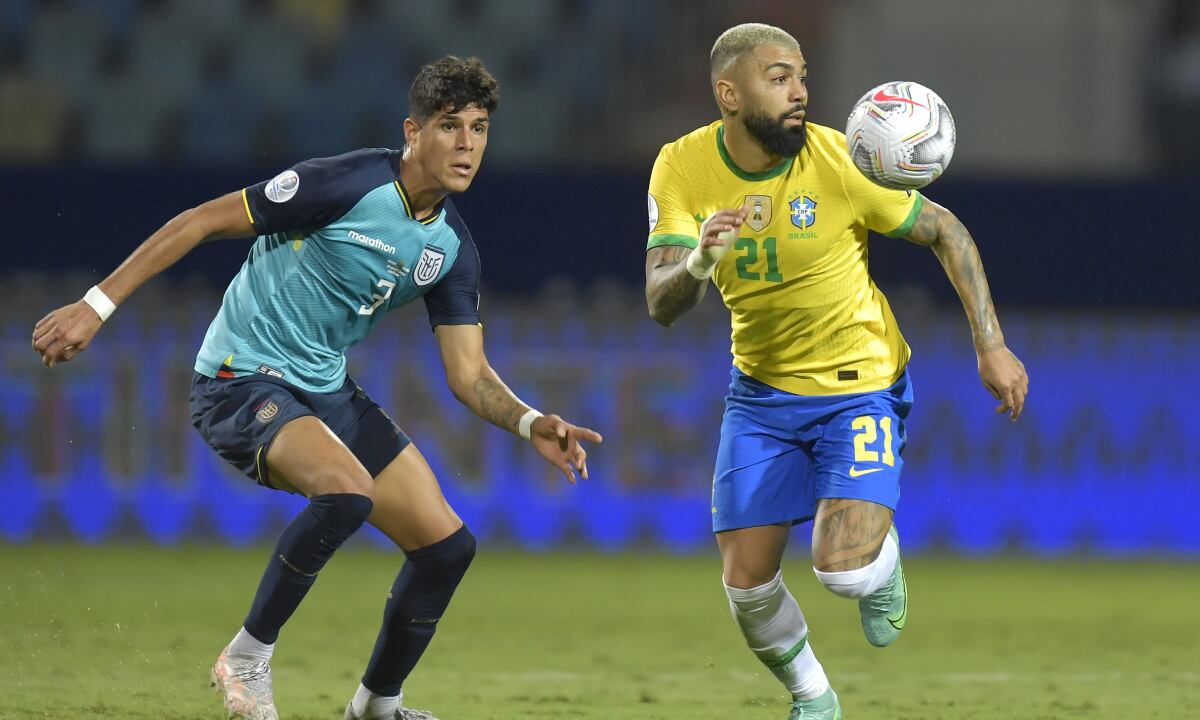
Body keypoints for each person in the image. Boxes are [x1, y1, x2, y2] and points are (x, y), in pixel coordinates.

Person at [32, 55, 602, 720]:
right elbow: (200, 220)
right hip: (238, 378)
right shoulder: (345, 182)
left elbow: (468, 373)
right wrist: (95, 306)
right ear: (413, 132)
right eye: (451, 126)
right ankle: (245, 656)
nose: (468, 144)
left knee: (447, 548)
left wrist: (532, 423)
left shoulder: (450, 248)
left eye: (479, 128)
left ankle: (376, 708)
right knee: (347, 493)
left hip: (323, 389)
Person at [643, 23, 1028, 719]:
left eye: (802, 76)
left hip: (860, 386)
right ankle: (814, 700)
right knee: (747, 586)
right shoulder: (681, 165)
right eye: (780, 78)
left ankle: (879, 567)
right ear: (729, 93)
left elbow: (945, 229)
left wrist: (990, 344)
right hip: (759, 395)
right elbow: (660, 301)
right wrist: (698, 261)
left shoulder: (840, 160)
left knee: (841, 572)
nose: (801, 93)